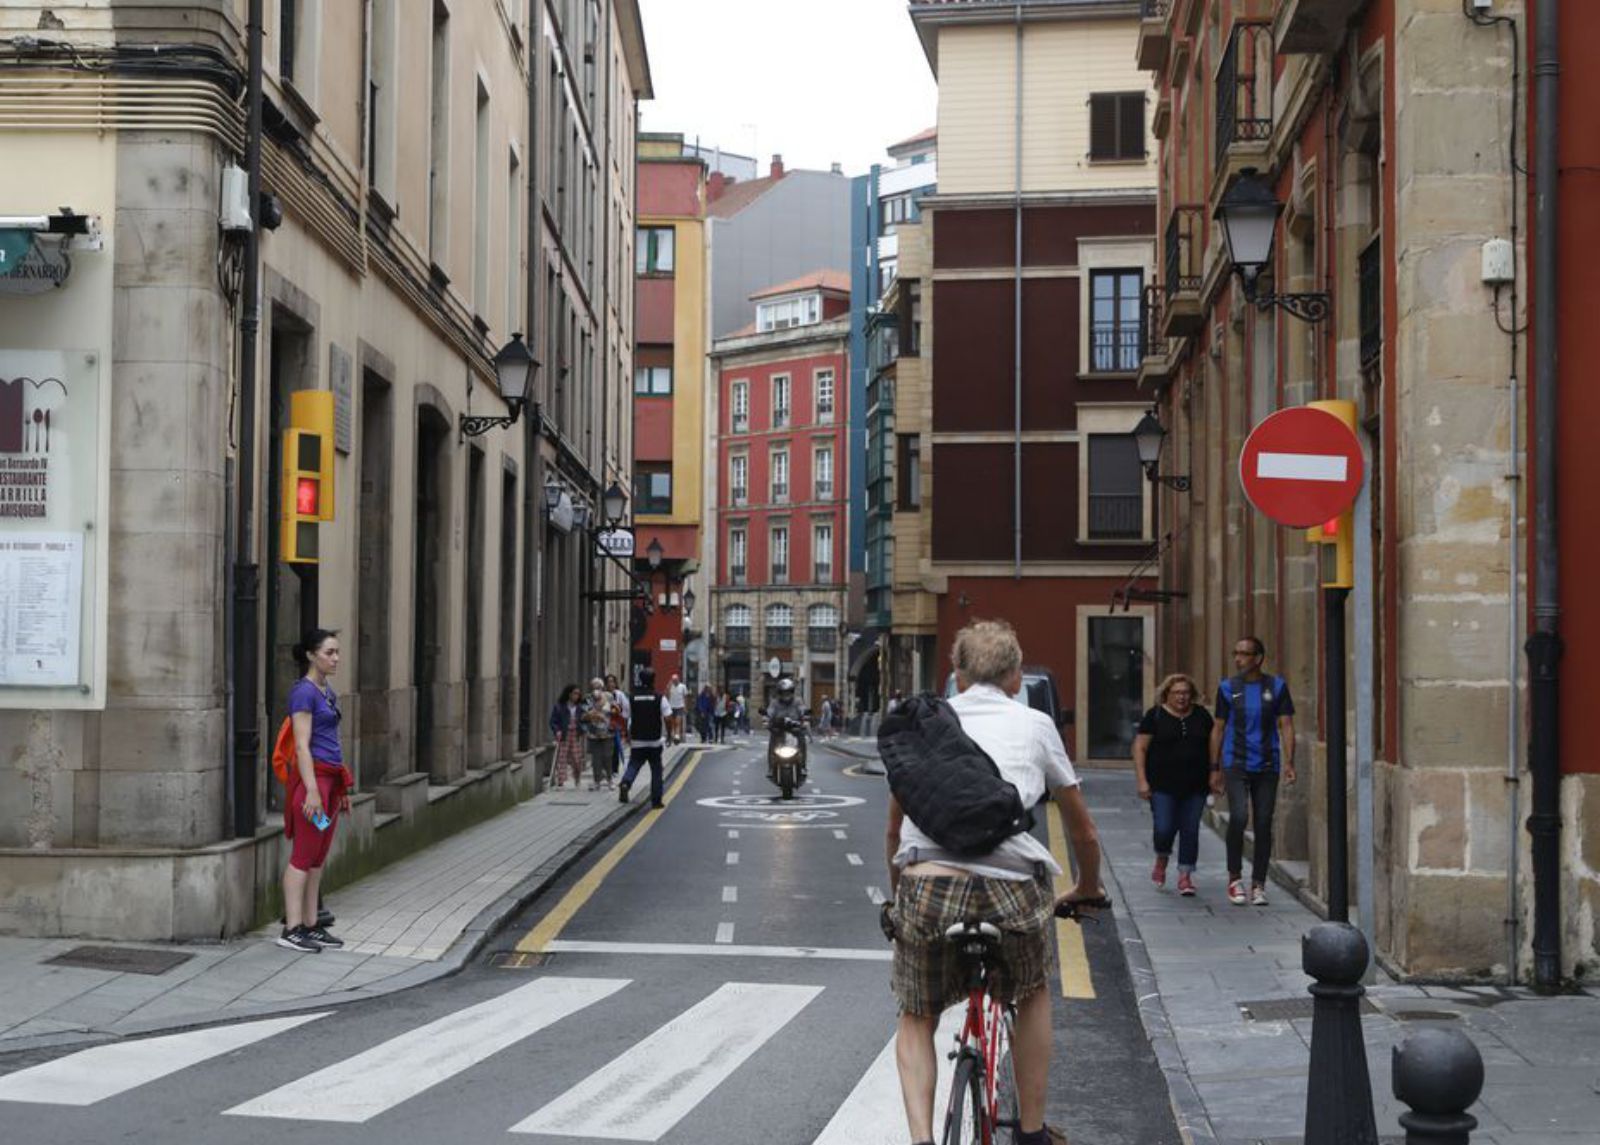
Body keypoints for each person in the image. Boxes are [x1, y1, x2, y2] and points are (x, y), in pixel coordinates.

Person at [886, 620, 1102, 1145]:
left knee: (917, 1012)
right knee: (1030, 992)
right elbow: (1082, 830)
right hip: (1012, 885)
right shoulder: (1036, 724)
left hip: (927, 880)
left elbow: (895, 829)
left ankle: (920, 1139)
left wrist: (898, 898)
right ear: (1015, 677)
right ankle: (1030, 1132)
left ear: (956, 677)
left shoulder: (924, 727)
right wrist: (1085, 887)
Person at [1209, 636, 1297, 907]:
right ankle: (1234, 878)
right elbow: (1219, 728)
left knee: (1262, 822)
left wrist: (1290, 762)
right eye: (1235, 653)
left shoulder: (1277, 687)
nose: (1238, 659)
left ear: (1258, 658)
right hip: (1235, 762)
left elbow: (1286, 725)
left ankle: (1258, 884)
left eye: (1244, 654)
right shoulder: (1227, 688)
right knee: (1238, 816)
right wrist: (1214, 768)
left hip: (1268, 764)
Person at [277, 628, 349, 954]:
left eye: (336, 652)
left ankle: (310, 925)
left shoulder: (325, 691)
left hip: (329, 784)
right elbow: (303, 747)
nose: (335, 658)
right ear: (311, 655)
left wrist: (338, 790)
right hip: (314, 783)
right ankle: (291, 929)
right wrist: (312, 792)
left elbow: (331, 741)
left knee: (317, 858)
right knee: (302, 857)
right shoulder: (303, 693)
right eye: (329, 652)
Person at [1133, 673, 1215, 897]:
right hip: (1162, 785)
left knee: (1190, 829)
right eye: (1177, 693)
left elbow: (1213, 746)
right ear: (1167, 694)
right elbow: (1140, 748)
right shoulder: (1155, 716)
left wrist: (1216, 774)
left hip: (1195, 785)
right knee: (1164, 828)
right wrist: (1142, 780)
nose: (1182, 697)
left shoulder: (1202, 716)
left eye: (1186, 693)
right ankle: (1162, 857)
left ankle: (1185, 876)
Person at [620, 667, 672, 809]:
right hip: (655, 741)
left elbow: (624, 718)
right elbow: (668, 718)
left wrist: (626, 734)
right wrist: (670, 734)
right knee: (656, 770)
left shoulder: (631, 698)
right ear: (653, 680)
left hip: (637, 740)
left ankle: (626, 782)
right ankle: (656, 800)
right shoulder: (660, 698)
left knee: (634, 764)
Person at [765, 678, 807, 781]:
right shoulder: (774, 703)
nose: (786, 695)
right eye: (783, 692)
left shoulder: (798, 701)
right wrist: (766, 719)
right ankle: (771, 767)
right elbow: (770, 712)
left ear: (792, 692)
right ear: (779, 693)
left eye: (788, 692)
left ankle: (802, 766)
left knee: (802, 740)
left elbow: (802, 710)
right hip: (779, 730)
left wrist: (805, 717)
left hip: (795, 729)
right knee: (772, 742)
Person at [579, 678, 617, 791]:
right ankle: (597, 781)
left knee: (607, 757)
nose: (597, 690)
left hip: (607, 732)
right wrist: (592, 715)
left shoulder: (609, 696)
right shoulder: (587, 698)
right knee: (596, 759)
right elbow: (583, 716)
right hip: (593, 733)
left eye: (599, 687)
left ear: (602, 687)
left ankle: (610, 780)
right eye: (594, 687)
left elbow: (615, 710)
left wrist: (612, 711)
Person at [548, 684, 585, 789]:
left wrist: (582, 729)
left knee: (577, 759)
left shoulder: (580, 708)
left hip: (575, 735)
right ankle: (561, 780)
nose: (577, 696)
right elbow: (553, 721)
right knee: (562, 758)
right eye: (575, 693)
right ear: (569, 694)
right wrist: (557, 731)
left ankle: (577, 777)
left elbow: (584, 721)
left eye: (578, 694)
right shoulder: (560, 706)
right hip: (564, 734)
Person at [605, 673, 630, 777]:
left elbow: (626, 708)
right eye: (609, 682)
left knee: (615, 747)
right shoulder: (603, 694)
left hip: (616, 724)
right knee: (606, 747)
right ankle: (606, 769)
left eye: (613, 681)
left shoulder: (619, 695)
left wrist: (622, 721)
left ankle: (614, 769)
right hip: (605, 724)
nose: (611, 684)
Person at [667, 673, 687, 745]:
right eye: (673, 680)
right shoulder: (670, 687)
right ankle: (672, 736)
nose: (675, 681)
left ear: (678, 679)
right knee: (672, 723)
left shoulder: (683, 686)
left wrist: (685, 707)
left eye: (676, 680)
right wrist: (668, 687)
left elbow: (685, 697)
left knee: (677, 722)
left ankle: (677, 736)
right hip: (671, 706)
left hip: (680, 706)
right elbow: (667, 695)